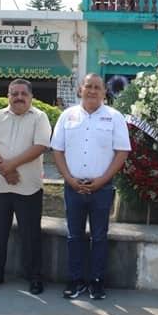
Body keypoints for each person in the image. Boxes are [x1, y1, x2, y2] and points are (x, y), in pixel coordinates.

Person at [51, 74, 131, 300]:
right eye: (88, 86)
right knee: (74, 236)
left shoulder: (115, 117)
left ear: (105, 93)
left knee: (99, 236)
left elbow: (122, 152)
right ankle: (75, 280)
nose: (93, 91)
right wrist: (69, 178)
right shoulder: (67, 116)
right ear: (80, 89)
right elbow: (57, 150)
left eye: (97, 87)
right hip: (73, 186)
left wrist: (102, 180)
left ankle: (97, 281)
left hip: (102, 188)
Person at [0, 79, 52, 294]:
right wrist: (4, 169)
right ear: (8, 96)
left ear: (31, 97)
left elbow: (40, 146)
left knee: (31, 235)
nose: (18, 97)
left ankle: (34, 277)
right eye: (14, 93)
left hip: (28, 187)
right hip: (1, 186)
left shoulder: (40, 117)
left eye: (23, 94)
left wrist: (11, 165)